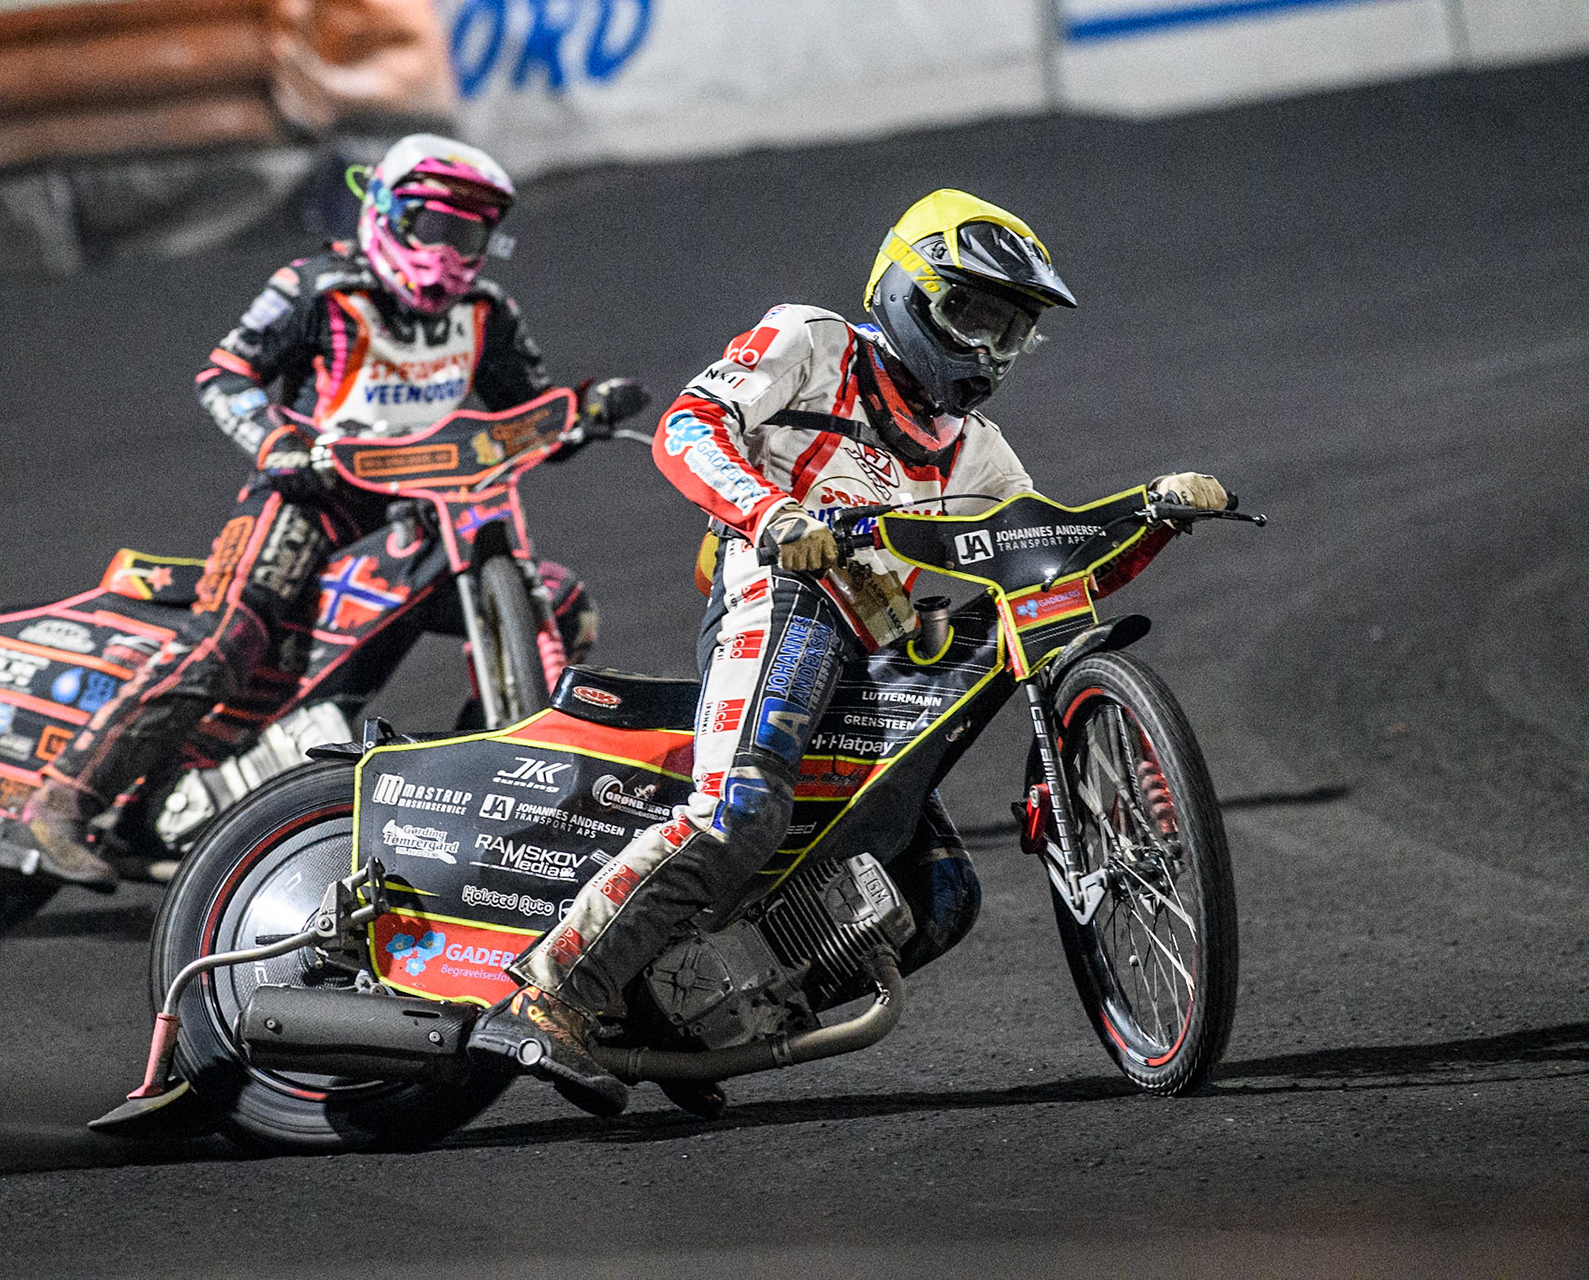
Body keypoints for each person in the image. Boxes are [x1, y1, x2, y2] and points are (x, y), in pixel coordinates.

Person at [468, 188, 1231, 1116]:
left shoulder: (983, 455)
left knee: (942, 896)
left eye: (1010, 331)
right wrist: (772, 513)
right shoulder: (811, 341)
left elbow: (1046, 571)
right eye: (973, 317)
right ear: (906, 293)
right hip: (776, 595)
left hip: (877, 647)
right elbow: (688, 426)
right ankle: (548, 992)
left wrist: (1153, 519)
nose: (989, 350)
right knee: (741, 808)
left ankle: (695, 1023)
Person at [21, 134, 600, 887]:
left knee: (561, 603)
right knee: (227, 639)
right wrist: (278, 444)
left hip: (424, 514)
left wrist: (586, 411)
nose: (448, 253)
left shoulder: (488, 313)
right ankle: (63, 799)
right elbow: (224, 374)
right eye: (434, 227)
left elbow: (529, 414)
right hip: (310, 498)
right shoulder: (317, 287)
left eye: (468, 236)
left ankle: (495, 793)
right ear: (388, 215)